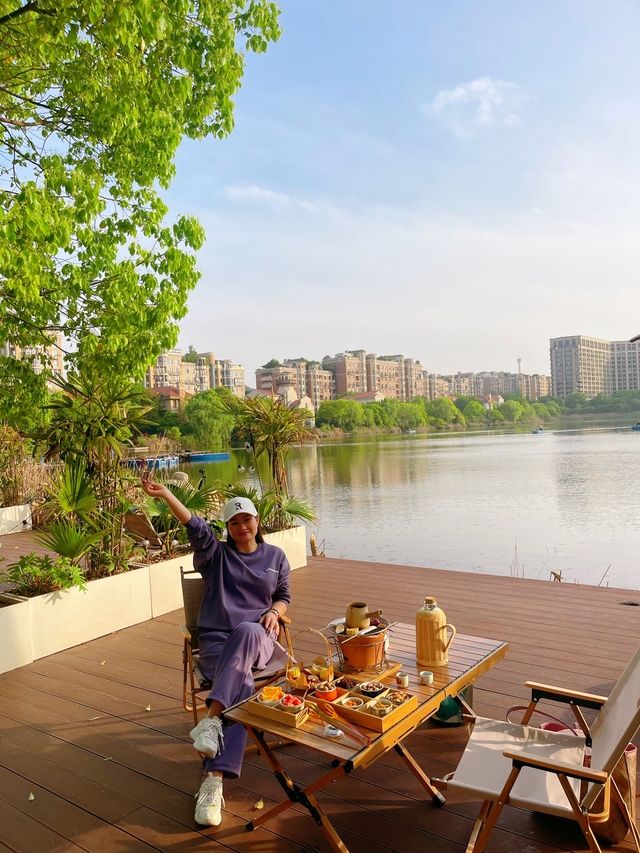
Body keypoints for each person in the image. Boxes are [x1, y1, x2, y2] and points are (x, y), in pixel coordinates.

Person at [140, 476, 291, 827]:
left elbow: (283, 595)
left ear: (257, 521)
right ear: (227, 528)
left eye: (247, 519)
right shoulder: (215, 555)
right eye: (234, 522)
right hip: (216, 643)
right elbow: (194, 525)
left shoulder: (276, 556)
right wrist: (166, 495)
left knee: (249, 629)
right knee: (242, 689)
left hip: (259, 638)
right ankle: (215, 779)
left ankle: (211, 722)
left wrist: (274, 611)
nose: (242, 526)